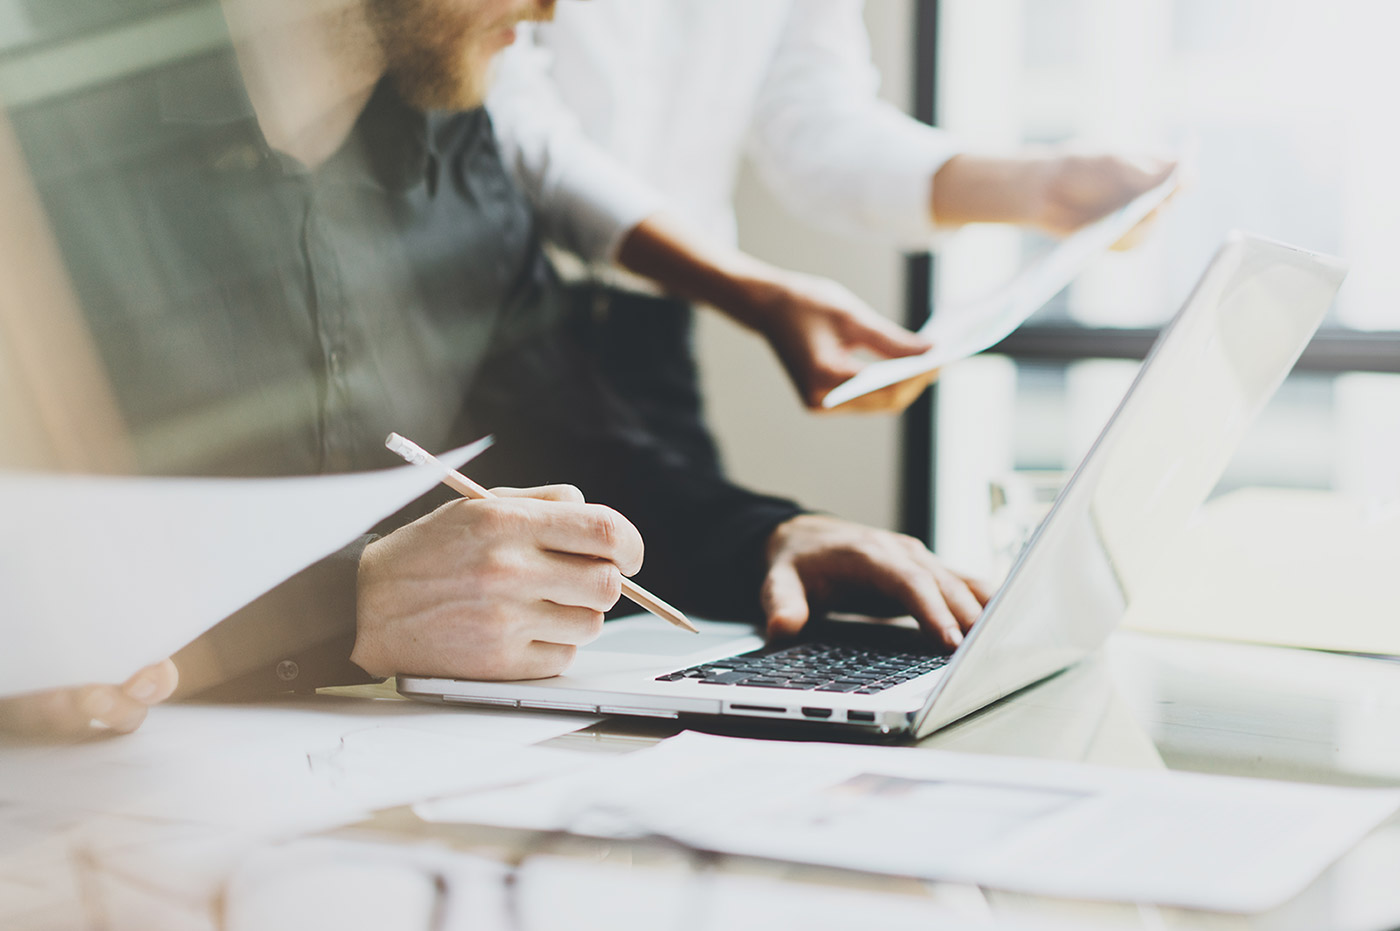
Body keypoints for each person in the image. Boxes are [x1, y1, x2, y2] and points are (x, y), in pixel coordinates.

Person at [0, 0, 987, 738]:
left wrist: (764, 534)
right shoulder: (36, 99)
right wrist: (353, 602)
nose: (555, 11)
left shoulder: (451, 139)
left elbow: (562, 432)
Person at [487, 0, 1176, 423]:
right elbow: (509, 123)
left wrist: (1039, 185)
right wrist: (752, 290)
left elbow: (811, 117)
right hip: (481, 319)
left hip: (651, 334)